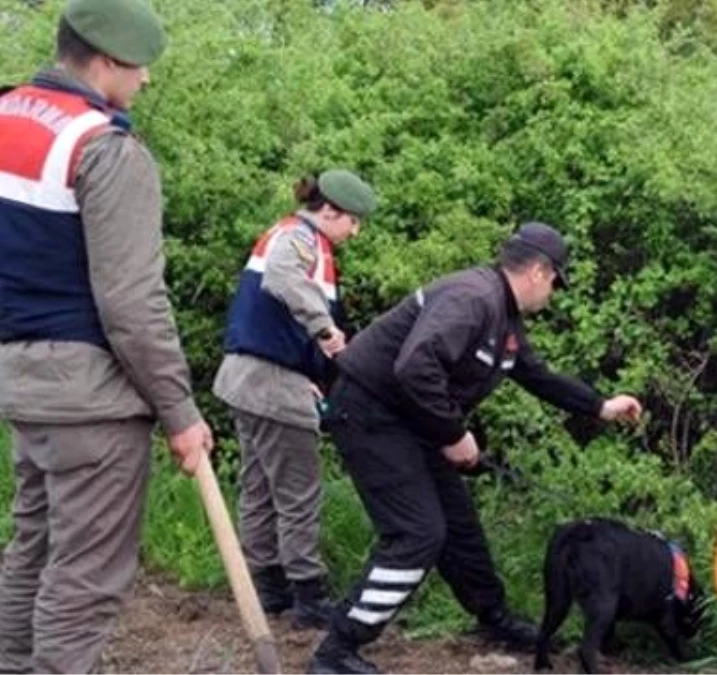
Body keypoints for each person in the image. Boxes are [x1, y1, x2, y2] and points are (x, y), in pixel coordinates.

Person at [307, 221, 644, 675]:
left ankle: (494, 618)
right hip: (371, 414)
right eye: (556, 284)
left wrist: (600, 406)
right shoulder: (473, 299)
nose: (553, 296)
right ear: (540, 272)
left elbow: (534, 373)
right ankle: (338, 650)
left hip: (413, 420)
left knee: (459, 525)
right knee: (418, 533)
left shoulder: (502, 315)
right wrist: (452, 435)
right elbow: (414, 367)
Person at [0, 0, 214, 671]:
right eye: (141, 65)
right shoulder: (104, 147)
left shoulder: (8, 115)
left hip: (20, 378)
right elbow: (132, 303)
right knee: (86, 576)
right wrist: (181, 413)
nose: (145, 80)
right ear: (108, 60)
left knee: (31, 548)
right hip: (90, 396)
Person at [214, 170, 376, 629]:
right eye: (353, 221)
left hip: (246, 377)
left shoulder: (286, 233)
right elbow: (282, 278)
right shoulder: (300, 240)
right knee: (298, 493)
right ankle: (309, 595)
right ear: (329, 212)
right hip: (270, 384)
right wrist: (325, 330)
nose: (355, 231)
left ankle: (267, 588)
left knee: (260, 487)